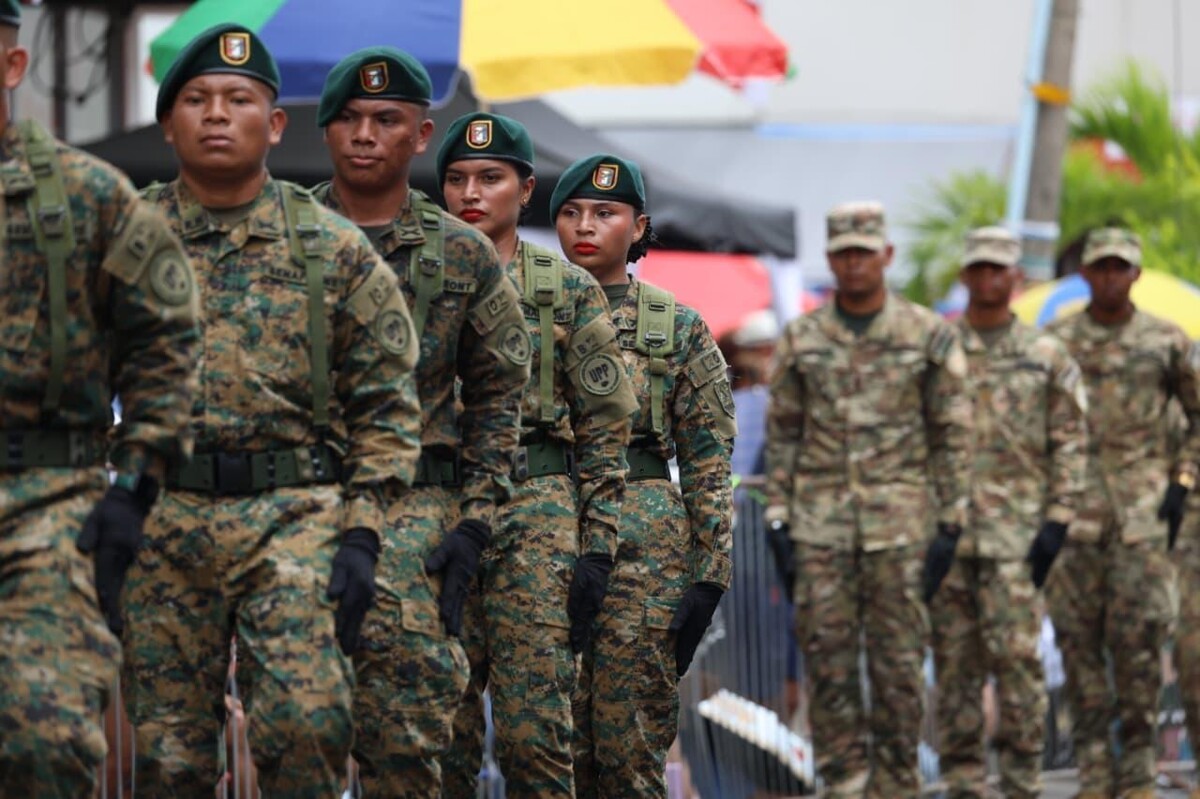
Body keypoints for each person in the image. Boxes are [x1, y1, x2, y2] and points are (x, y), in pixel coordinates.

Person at [121, 24, 422, 798]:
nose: (217, 114)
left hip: (293, 518)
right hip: (161, 521)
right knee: (169, 757)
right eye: (196, 99)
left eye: (239, 99)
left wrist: (362, 532)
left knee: (306, 727)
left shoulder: (331, 246)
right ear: (168, 123)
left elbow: (388, 405)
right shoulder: (123, 240)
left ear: (275, 122)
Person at [311, 48, 529, 796]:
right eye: (349, 118)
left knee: (408, 740)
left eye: (387, 119)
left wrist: (475, 520)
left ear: (421, 134)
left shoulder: (463, 255)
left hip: (416, 517)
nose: (365, 134)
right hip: (296, 503)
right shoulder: (286, 234)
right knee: (292, 731)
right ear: (323, 129)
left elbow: (501, 391)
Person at [0, 2, 199, 793]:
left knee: (43, 738)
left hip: (50, 506)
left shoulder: (90, 198)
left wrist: (134, 483)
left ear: (14, 68)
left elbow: (166, 340)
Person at [437, 117, 637, 797]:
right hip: (438, 505)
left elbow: (606, 428)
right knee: (436, 727)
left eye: (490, 178)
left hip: (537, 513)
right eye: (457, 178)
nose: (472, 191)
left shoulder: (567, 289)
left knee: (533, 734)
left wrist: (598, 545)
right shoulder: (409, 281)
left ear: (524, 190)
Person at [764, 201, 973, 798]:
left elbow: (952, 433)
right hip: (820, 530)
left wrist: (952, 522)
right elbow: (784, 434)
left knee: (899, 670)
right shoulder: (803, 338)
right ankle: (845, 784)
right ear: (830, 259)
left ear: (887, 255)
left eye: (865, 251)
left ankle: (900, 784)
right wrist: (777, 518)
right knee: (829, 666)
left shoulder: (927, 334)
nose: (854, 263)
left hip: (902, 532)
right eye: (843, 253)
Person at [548, 153, 737, 798]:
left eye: (605, 213)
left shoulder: (676, 328)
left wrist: (711, 576)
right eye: (571, 213)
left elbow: (710, 462)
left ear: (639, 227)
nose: (586, 226)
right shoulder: (526, 314)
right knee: (552, 745)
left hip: (645, 553)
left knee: (628, 746)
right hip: (551, 536)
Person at [929, 227, 1088, 799]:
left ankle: (1022, 782)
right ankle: (966, 783)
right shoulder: (939, 348)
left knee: (1019, 670)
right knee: (955, 673)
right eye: (979, 269)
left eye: (1000, 270)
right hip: (948, 540)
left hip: (1017, 543)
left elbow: (1071, 441)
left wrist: (1058, 521)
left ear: (1016, 279)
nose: (989, 280)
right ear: (967, 276)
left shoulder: (1045, 355)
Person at [1045, 226, 1199, 799]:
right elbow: (1038, 423)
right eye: (1101, 267)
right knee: (1079, 649)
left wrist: (1183, 479)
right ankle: (1093, 772)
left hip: (1143, 521)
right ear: (1085, 274)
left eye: (1121, 267)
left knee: (1138, 649)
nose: (1111, 276)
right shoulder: (1056, 342)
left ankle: (1135, 773)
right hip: (1076, 519)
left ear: (1136, 273)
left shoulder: (1167, 341)